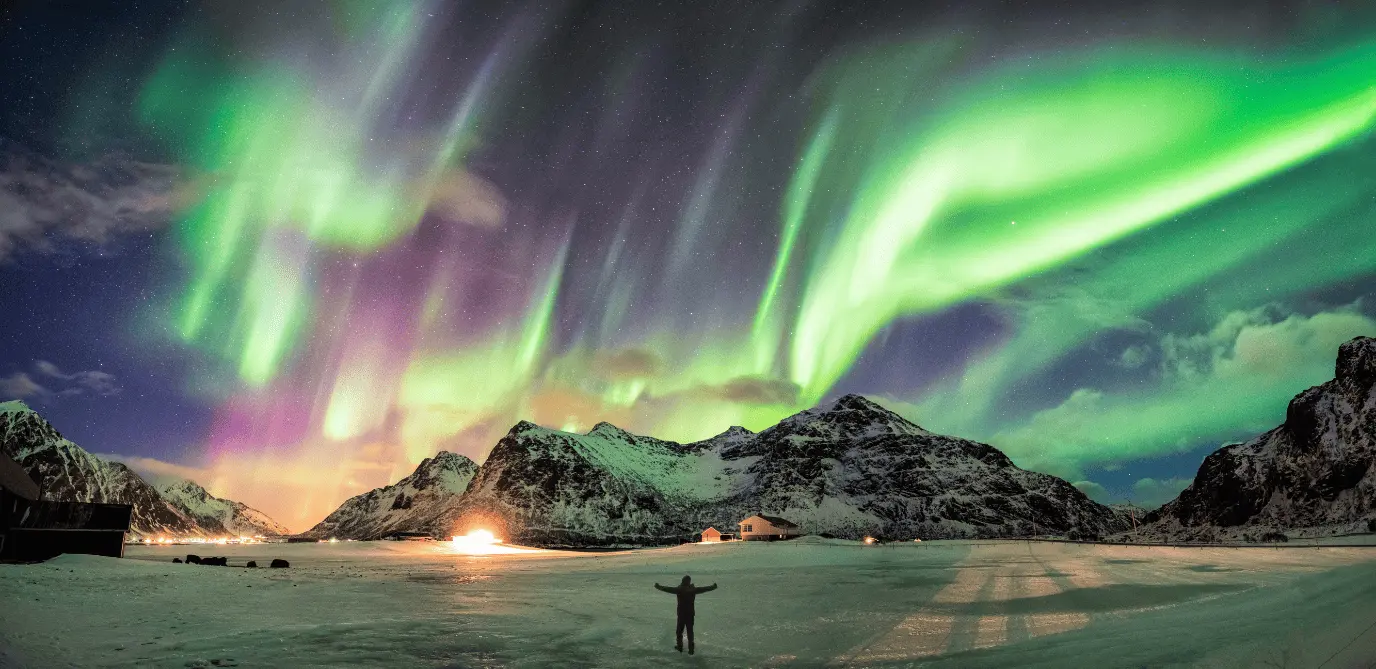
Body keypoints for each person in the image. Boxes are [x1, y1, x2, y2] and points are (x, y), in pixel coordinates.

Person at [654, 575, 718, 654]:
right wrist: (713, 587)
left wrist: (658, 587)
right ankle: (691, 649)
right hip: (690, 614)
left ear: (683, 581)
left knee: (679, 632)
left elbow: (668, 589)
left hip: (681, 614)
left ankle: (680, 647)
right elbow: (704, 589)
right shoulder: (693, 590)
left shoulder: (680, 589)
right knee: (690, 631)